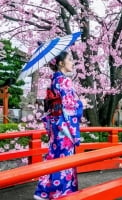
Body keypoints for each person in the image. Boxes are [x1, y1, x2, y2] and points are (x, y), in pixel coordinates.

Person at [33, 51, 83, 200]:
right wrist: (80, 104)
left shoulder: (54, 79)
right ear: (61, 63)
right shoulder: (65, 81)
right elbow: (70, 105)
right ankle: (60, 192)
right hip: (65, 125)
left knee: (54, 157)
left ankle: (43, 191)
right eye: (69, 59)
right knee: (64, 159)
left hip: (56, 124)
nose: (72, 62)